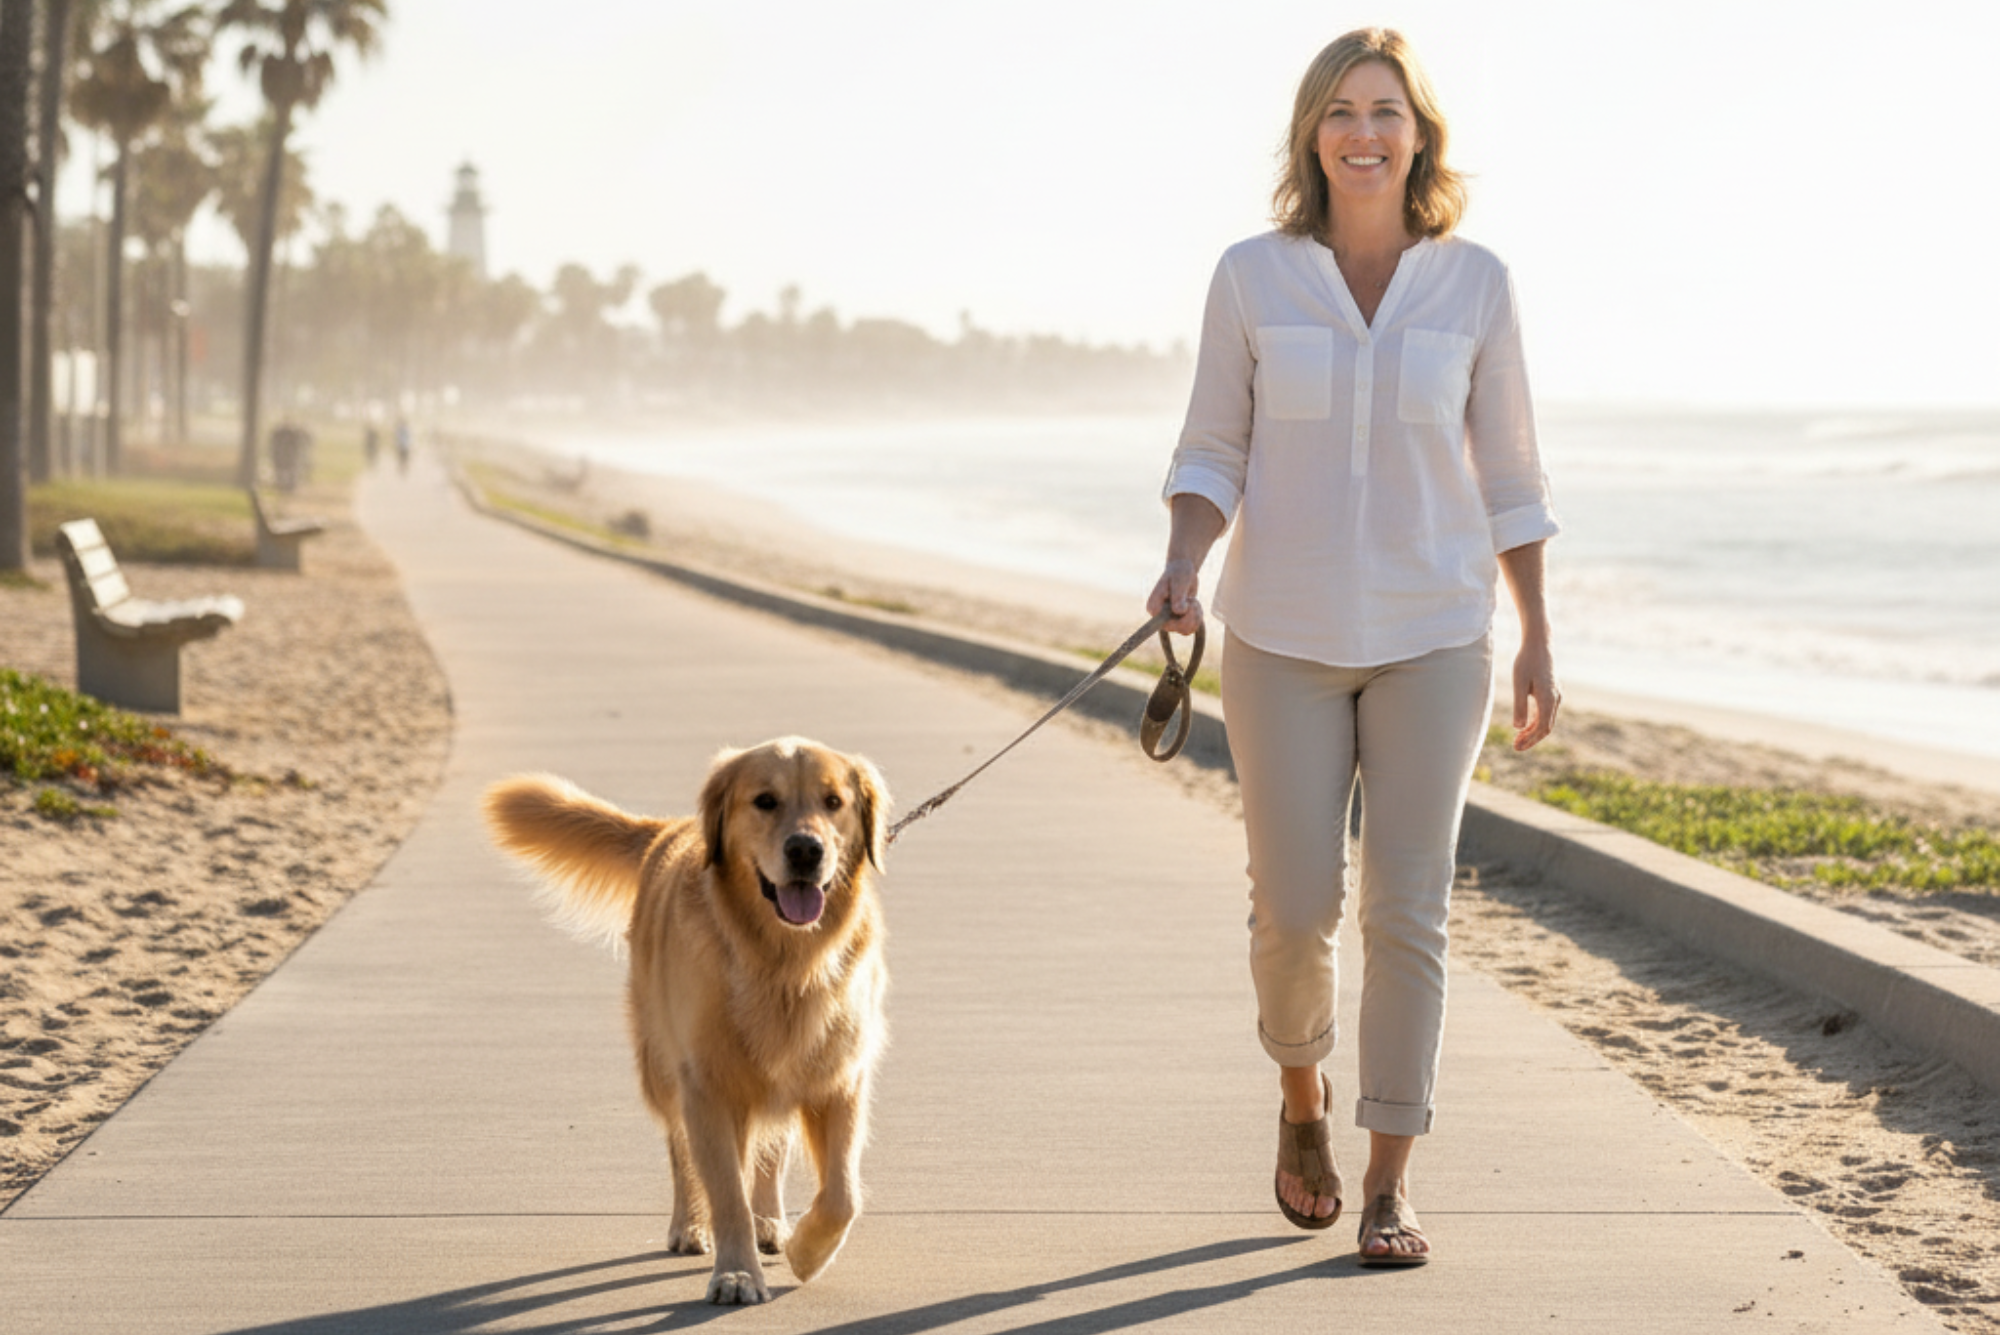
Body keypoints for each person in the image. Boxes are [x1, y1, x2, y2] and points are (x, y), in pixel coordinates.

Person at [1149, 27, 1560, 1266]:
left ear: (1418, 134)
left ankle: (1388, 1183)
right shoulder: (1251, 277)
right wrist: (1183, 560)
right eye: (1339, 110)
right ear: (1310, 135)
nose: (1362, 132)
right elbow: (1211, 445)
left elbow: (1511, 474)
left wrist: (1535, 631)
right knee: (1292, 910)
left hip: (1435, 635)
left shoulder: (1474, 284)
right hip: (1279, 636)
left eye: (1384, 110)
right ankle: (1300, 1098)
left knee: (1406, 909)